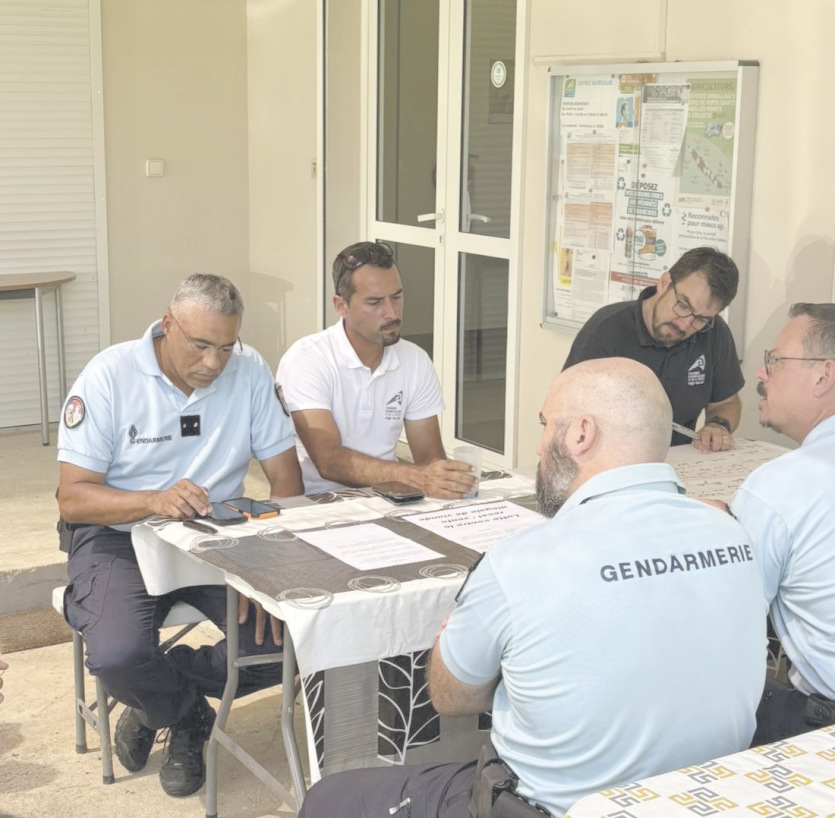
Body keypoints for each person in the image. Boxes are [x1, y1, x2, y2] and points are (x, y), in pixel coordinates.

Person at [298, 358, 766, 818]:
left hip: (551, 807)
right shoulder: (732, 533)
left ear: (581, 433)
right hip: (703, 796)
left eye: (546, 425)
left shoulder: (520, 561)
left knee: (331, 798)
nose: (540, 446)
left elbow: (451, 697)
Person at [57, 274, 303, 798]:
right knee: (117, 656)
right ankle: (188, 717)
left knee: (287, 647)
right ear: (168, 324)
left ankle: (158, 698)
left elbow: (287, 483)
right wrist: (152, 500)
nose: (214, 363)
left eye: (226, 347)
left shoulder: (250, 370)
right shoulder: (109, 375)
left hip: (220, 536)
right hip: (119, 535)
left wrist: (263, 565)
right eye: (201, 345)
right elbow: (73, 498)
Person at [277, 240, 475, 498]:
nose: (391, 313)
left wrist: (442, 479)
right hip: (320, 503)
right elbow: (328, 460)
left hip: (391, 497)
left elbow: (429, 458)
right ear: (341, 306)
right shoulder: (307, 359)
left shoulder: (415, 359)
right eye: (375, 302)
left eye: (397, 297)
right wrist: (415, 477)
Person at [730, 303, 835, 744]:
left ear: (824, 375)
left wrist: (718, 534)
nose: (761, 373)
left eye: (775, 360)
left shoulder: (781, 486)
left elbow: (728, 616)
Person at [564, 246, 743, 451]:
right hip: (608, 459)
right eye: (683, 306)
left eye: (701, 319)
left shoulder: (714, 333)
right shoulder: (606, 329)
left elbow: (727, 404)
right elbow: (564, 411)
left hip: (679, 461)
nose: (684, 325)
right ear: (664, 283)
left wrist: (718, 426)